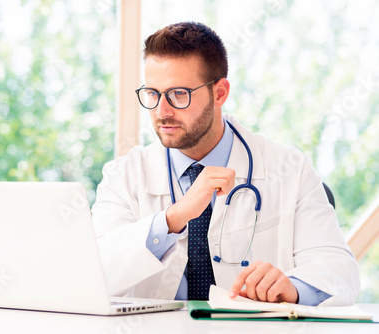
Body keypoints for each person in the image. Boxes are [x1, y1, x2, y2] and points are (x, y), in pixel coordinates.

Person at [91, 22, 359, 306]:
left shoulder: (290, 169)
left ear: (219, 93)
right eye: (153, 94)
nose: (161, 111)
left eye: (178, 94)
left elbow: (339, 272)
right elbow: (95, 274)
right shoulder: (123, 177)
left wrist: (292, 288)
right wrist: (172, 220)